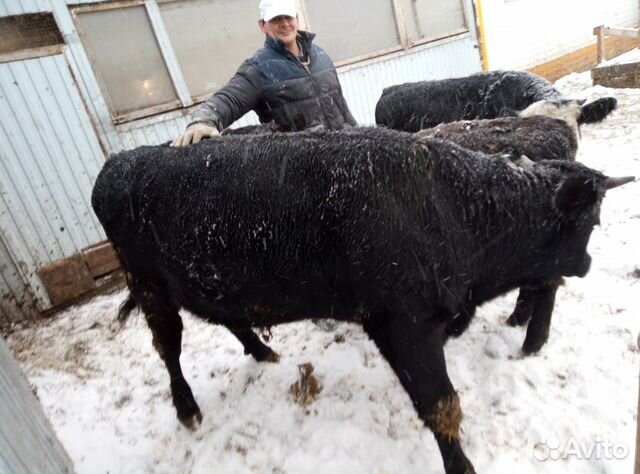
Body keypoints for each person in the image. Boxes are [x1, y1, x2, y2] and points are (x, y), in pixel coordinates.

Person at [171, 0, 357, 147]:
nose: (284, 24)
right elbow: (228, 99)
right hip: (303, 165)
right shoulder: (259, 67)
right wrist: (204, 121)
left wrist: (357, 134)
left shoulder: (320, 55)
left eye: (288, 17)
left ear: (296, 20)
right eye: (276, 19)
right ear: (263, 25)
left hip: (345, 150)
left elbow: (341, 105)